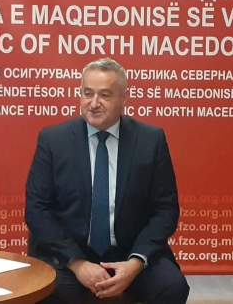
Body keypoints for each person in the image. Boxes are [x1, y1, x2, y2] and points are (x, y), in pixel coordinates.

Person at [25, 57, 190, 304]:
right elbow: (38, 210)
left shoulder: (150, 140)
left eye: (104, 95)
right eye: (87, 93)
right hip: (69, 255)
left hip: (129, 253)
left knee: (172, 287)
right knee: (47, 290)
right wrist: (78, 263)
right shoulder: (53, 140)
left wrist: (135, 263)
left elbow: (165, 210)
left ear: (124, 98)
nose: (94, 104)